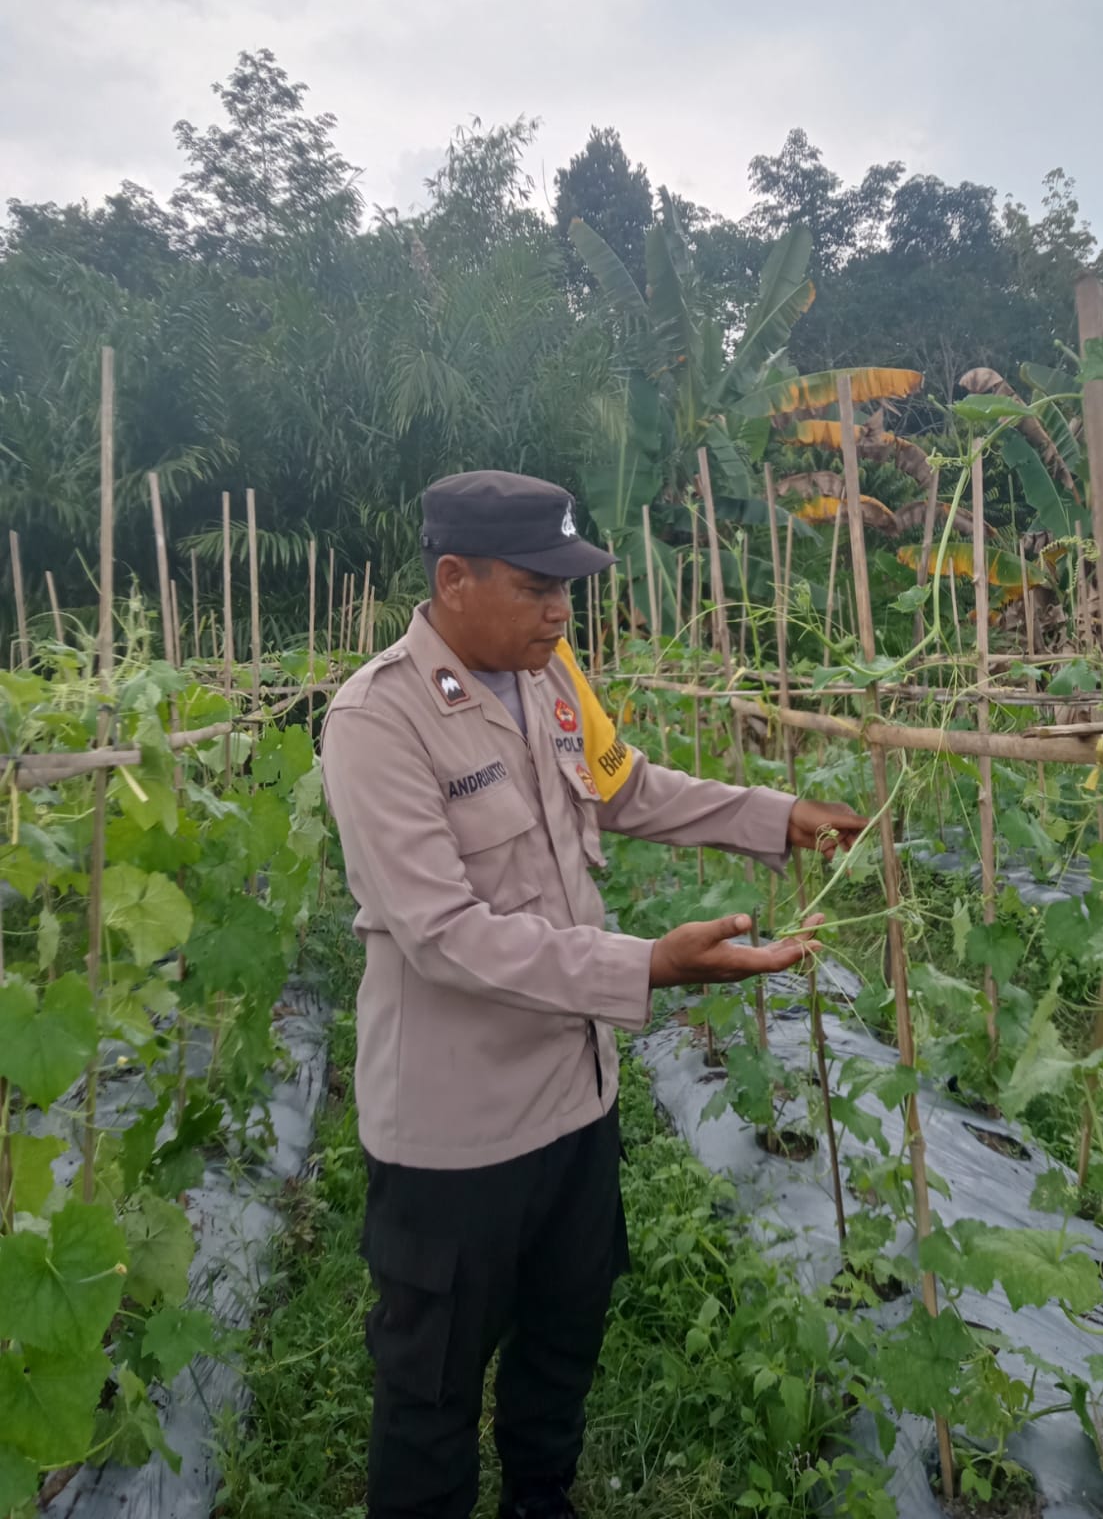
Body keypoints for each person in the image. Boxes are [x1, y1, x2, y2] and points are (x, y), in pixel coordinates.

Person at [319, 470, 867, 1519]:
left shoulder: (553, 676)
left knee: (561, 1345)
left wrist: (772, 812)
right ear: (453, 578)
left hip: (576, 1103)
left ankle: (542, 1499)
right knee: (431, 1392)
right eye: (537, 587)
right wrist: (647, 964)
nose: (561, 610)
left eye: (568, 586)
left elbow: (626, 785)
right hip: (455, 1134)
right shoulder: (378, 720)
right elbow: (441, 936)